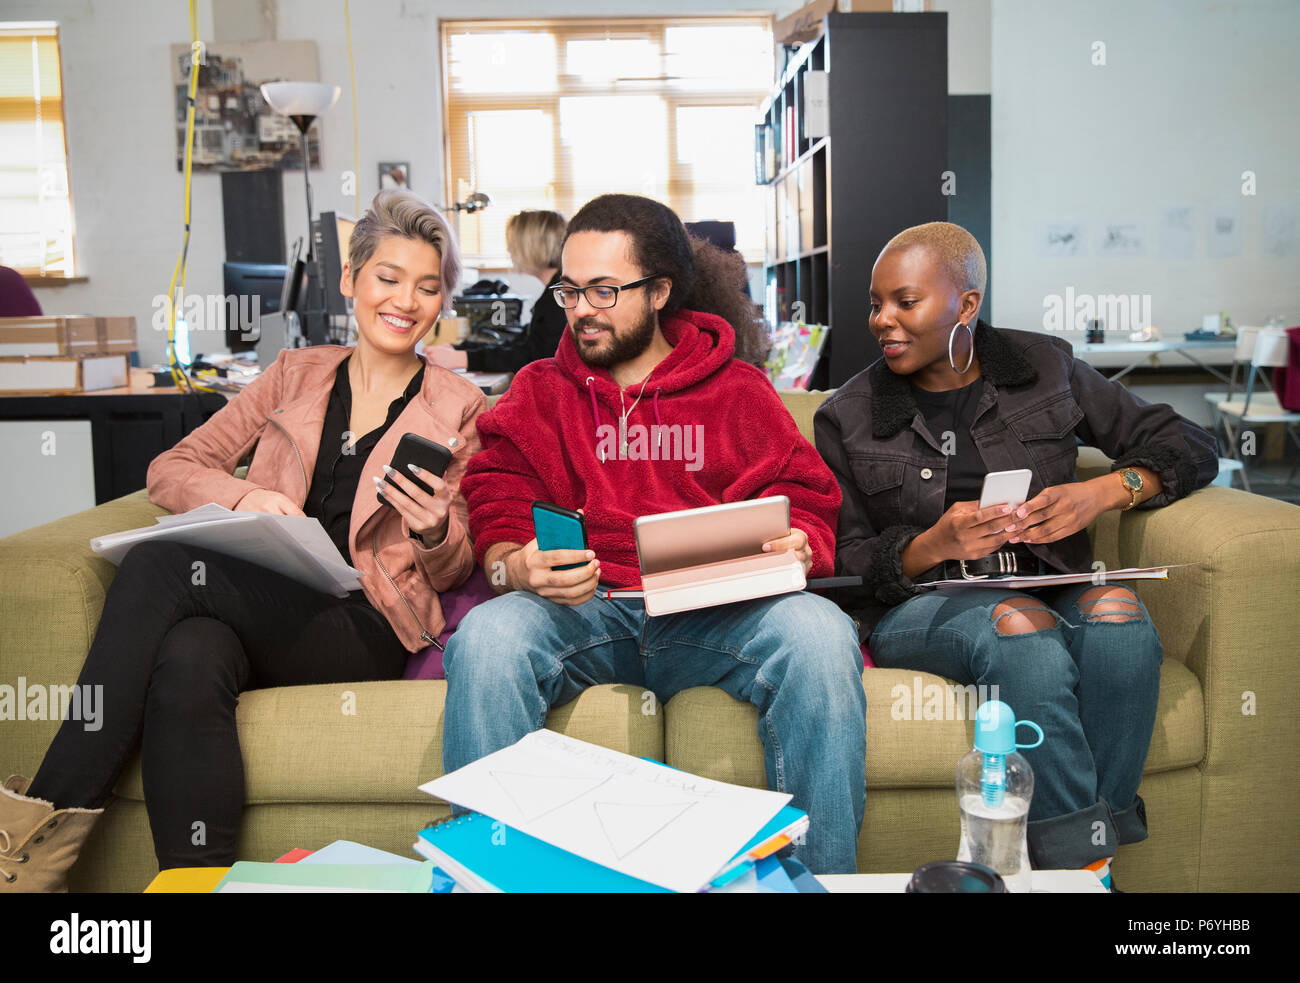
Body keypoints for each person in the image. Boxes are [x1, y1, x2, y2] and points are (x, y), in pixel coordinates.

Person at [0, 189, 485, 891]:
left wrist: (437, 529)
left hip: (365, 618)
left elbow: (455, 565)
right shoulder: (294, 374)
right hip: (268, 598)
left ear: (441, 302)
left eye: (427, 286)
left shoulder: (457, 405)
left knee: (164, 566)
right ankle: (194, 884)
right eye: (387, 277)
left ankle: (28, 836)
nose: (405, 300)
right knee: (191, 652)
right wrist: (245, 493)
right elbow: (170, 468)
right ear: (351, 280)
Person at [442, 193, 866, 875]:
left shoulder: (739, 391)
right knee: (488, 639)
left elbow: (806, 495)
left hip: (714, 618)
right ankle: (490, 877)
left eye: (605, 290)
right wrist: (513, 563)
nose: (582, 308)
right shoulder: (541, 388)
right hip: (584, 612)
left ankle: (820, 881)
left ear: (660, 290)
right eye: (570, 290)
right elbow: (494, 490)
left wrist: (799, 541)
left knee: (819, 633)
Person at [813, 221, 1219, 887]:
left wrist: (1105, 492)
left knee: (1119, 618)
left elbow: (1185, 440)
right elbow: (842, 563)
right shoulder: (848, 412)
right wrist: (930, 545)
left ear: (965, 305)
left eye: (904, 302)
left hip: (1049, 578)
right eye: (874, 304)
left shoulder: (1047, 366)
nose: (882, 320)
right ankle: (1084, 872)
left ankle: (1083, 859)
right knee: (1018, 630)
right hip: (925, 605)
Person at [426, 210, 569, 373]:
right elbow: (523, 342)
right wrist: (460, 349)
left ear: (531, 247)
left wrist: (463, 358)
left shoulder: (558, 298)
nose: (510, 251)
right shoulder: (553, 292)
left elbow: (533, 356)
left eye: (513, 244)